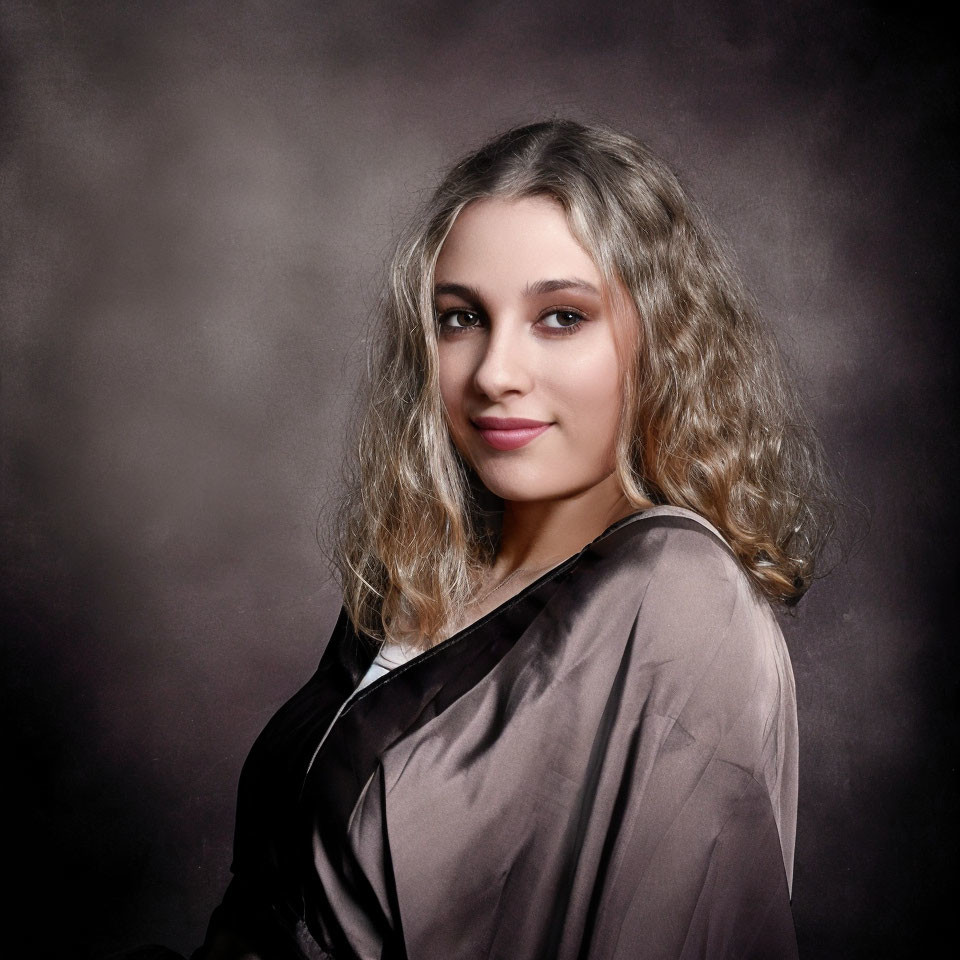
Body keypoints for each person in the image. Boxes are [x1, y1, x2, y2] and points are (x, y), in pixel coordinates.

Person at [132, 119, 837, 960]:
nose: (496, 371)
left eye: (562, 317)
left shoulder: (674, 596)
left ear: (661, 342)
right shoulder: (419, 582)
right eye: (462, 318)